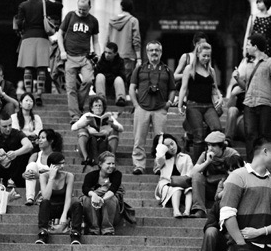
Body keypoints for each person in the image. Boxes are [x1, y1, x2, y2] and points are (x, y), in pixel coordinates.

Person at [128, 40, 176, 175]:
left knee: (160, 142)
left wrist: (168, 103)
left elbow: (173, 89)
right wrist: (136, 105)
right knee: (139, 139)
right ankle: (138, 165)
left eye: (157, 50)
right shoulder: (139, 69)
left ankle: (158, 167)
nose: (154, 53)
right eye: (151, 50)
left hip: (160, 108)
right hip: (142, 108)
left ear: (161, 52)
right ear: (146, 52)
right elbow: (132, 88)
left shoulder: (167, 70)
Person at [178, 41, 223, 161]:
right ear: (197, 54)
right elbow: (183, 88)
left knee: (217, 129)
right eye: (204, 55)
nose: (206, 58)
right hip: (193, 105)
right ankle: (197, 165)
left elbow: (215, 89)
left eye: (208, 56)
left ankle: (214, 160)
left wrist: (220, 98)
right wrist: (180, 105)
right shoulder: (189, 69)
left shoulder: (211, 71)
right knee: (199, 135)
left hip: (208, 105)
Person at [58, 0, 100, 122]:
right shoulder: (70, 16)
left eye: (84, 10)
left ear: (90, 8)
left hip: (85, 57)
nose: (82, 12)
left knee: (88, 80)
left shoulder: (93, 21)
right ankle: (75, 115)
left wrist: (98, 54)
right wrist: (62, 51)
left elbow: (96, 41)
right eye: (80, 9)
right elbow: (60, 34)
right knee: (70, 88)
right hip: (70, 57)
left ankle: (79, 107)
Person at [241, 33, 271, 159]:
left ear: (255, 46)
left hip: (265, 102)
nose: (246, 48)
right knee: (250, 134)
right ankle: (251, 162)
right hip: (249, 103)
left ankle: (264, 161)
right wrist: (237, 78)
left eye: (248, 45)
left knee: (264, 133)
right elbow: (246, 85)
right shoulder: (248, 64)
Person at [189, 131, 242, 218]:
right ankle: (199, 209)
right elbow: (193, 173)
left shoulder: (232, 154)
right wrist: (207, 162)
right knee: (197, 176)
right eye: (208, 145)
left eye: (213, 145)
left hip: (225, 188)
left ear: (221, 146)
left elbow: (240, 172)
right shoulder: (205, 154)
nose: (210, 148)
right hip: (210, 187)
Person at [35, 152, 83, 245]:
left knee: (77, 204)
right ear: (52, 165)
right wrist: (51, 178)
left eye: (63, 163)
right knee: (44, 203)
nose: (62, 166)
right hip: (51, 207)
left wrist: (64, 215)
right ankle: (43, 233)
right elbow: (46, 197)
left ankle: (75, 234)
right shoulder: (43, 176)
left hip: (64, 206)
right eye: (59, 164)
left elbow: (68, 197)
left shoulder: (69, 176)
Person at [15, 0, 50, 106]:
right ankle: (39, 94)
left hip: (28, 38)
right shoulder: (44, 4)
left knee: (28, 68)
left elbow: (19, 23)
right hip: (42, 37)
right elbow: (60, 6)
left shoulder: (23, 5)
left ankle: (28, 94)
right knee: (41, 68)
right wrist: (45, 0)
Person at [0, 112, 32, 194]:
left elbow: (29, 146)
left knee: (25, 153)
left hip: (13, 167)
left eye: (10, 125)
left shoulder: (17, 133)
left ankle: (14, 181)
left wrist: (16, 153)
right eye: (5, 126)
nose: (8, 129)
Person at [71, 94, 122, 167]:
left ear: (103, 107)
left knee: (115, 130)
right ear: (91, 108)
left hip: (104, 144)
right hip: (90, 144)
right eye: (96, 105)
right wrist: (84, 123)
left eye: (100, 105)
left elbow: (121, 128)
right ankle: (86, 158)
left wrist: (112, 125)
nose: (98, 107)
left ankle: (111, 158)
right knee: (82, 129)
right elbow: (73, 127)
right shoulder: (87, 115)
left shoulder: (107, 116)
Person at [81, 151, 124, 236]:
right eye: (108, 163)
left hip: (112, 211)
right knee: (87, 198)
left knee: (110, 198)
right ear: (100, 164)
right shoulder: (91, 175)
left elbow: (113, 189)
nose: (111, 166)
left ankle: (107, 229)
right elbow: (85, 188)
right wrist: (94, 195)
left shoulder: (117, 174)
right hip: (93, 210)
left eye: (113, 163)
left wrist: (101, 199)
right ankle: (93, 229)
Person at [153, 133, 194, 218]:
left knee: (189, 190)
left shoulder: (186, 157)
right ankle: (176, 211)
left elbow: (191, 172)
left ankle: (187, 211)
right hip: (167, 184)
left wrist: (183, 180)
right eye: (167, 146)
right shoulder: (162, 160)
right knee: (176, 189)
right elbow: (160, 156)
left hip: (184, 182)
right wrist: (160, 143)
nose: (171, 147)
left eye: (172, 143)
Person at [106, 0, 141, 95]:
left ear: (121, 6)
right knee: (125, 79)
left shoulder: (112, 20)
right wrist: (138, 58)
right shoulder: (133, 21)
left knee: (114, 77)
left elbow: (107, 38)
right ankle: (123, 100)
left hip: (113, 55)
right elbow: (136, 40)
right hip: (127, 55)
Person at [24, 128, 63, 206]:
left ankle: (42, 198)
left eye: (43, 138)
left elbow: (58, 177)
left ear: (51, 141)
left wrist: (39, 176)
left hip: (50, 187)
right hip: (36, 187)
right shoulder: (35, 155)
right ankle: (30, 198)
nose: (39, 140)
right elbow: (26, 172)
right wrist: (25, 175)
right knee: (32, 165)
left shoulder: (56, 157)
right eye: (39, 138)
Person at [93, 42, 127, 106]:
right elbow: (96, 75)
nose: (107, 55)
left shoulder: (120, 61)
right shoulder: (101, 61)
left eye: (109, 53)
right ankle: (101, 99)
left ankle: (120, 98)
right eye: (105, 52)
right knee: (100, 76)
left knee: (119, 79)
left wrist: (109, 76)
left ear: (115, 53)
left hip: (115, 87)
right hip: (104, 86)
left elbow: (123, 76)